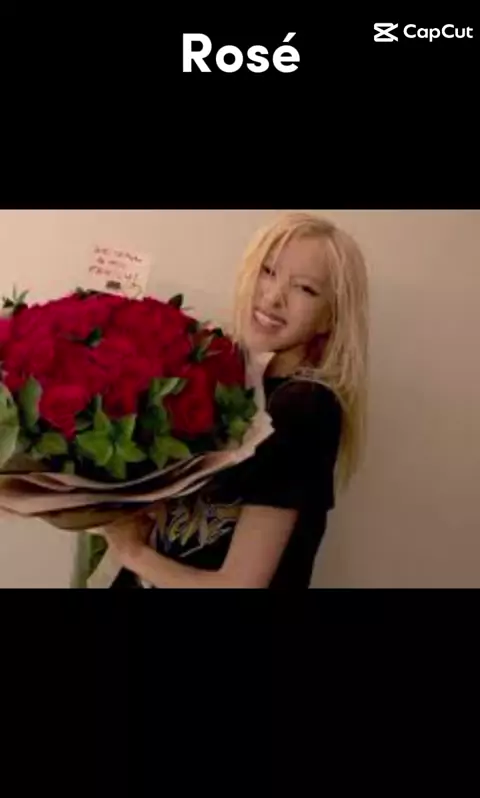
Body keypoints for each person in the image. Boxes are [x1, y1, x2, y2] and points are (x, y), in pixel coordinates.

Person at [106, 211, 369, 589]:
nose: (274, 297)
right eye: (268, 271)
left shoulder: (304, 407)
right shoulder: (229, 381)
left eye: (305, 289)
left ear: (330, 317)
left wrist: (131, 551)